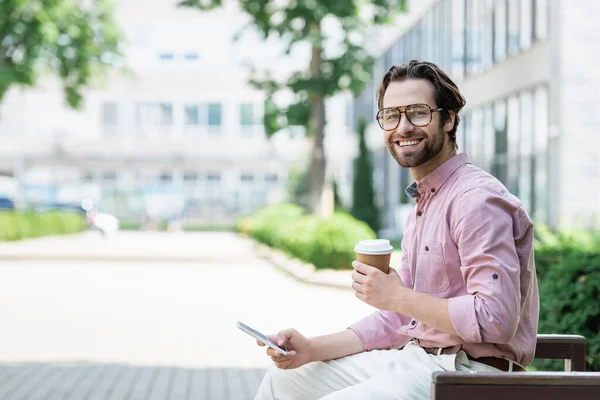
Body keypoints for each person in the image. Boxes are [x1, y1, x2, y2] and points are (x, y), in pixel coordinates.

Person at [254, 60, 539, 400]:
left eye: (418, 113)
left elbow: (496, 318)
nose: (402, 127)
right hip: (418, 359)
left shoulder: (474, 200)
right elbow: (401, 318)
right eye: (391, 115)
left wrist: (397, 295)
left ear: (448, 119)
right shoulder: (425, 201)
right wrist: (311, 349)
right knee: (284, 379)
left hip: (470, 374)